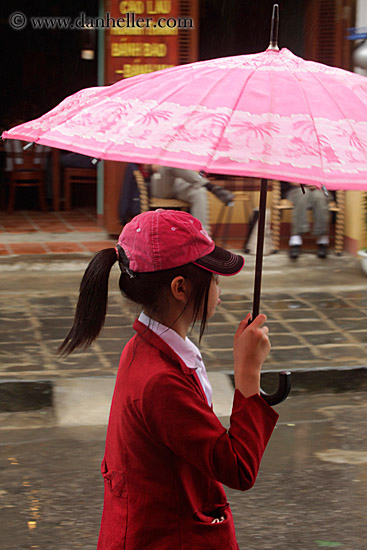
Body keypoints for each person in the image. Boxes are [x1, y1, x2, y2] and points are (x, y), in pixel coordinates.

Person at [59, 209, 278, 550]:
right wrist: (248, 374)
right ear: (180, 287)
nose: (219, 287)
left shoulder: (142, 347)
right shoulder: (160, 380)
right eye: (213, 278)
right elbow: (237, 468)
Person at [151, 165, 234, 232]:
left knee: (199, 191)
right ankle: (211, 187)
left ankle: (203, 234)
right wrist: (150, 164)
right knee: (169, 164)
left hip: (178, 183)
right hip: (158, 181)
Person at [286, 183, 330, 259]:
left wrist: (318, 184)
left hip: (321, 188)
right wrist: (304, 183)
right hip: (298, 188)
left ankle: (322, 240)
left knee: (320, 197)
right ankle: (295, 240)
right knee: (302, 194)